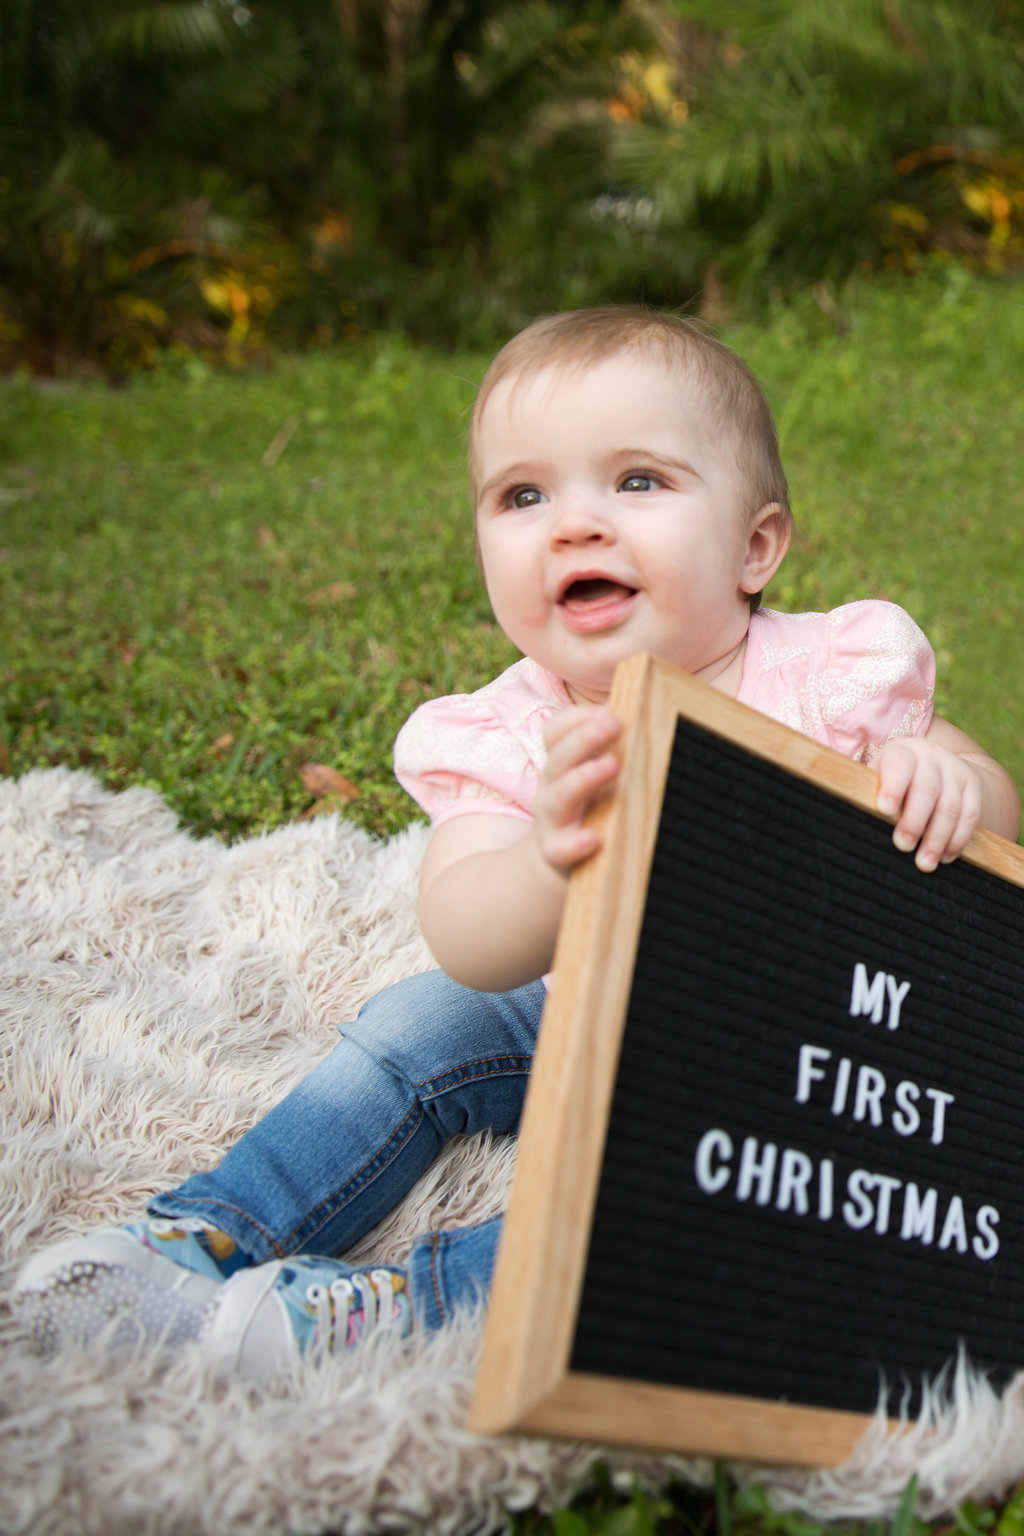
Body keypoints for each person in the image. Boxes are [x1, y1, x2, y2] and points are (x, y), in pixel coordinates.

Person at [14, 308, 1021, 1381]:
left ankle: (382, 1312)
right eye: (522, 495)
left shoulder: (828, 675)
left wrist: (947, 778)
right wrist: (549, 859)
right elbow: (468, 937)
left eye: (638, 481)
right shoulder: (509, 730)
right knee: (421, 1020)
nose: (574, 524)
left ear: (754, 546)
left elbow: (994, 821)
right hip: (591, 1008)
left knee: (708, 1213)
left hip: (812, 1060)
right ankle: (207, 1230)